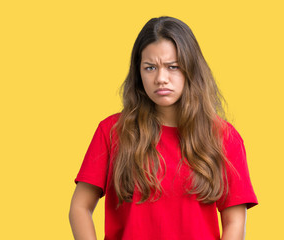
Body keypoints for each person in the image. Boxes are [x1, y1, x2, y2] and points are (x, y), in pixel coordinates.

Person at [69, 16, 258, 240]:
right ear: (138, 73)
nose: (161, 78)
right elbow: (79, 208)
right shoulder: (112, 131)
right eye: (150, 68)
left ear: (191, 69)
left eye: (173, 67)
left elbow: (235, 220)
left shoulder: (225, 137)